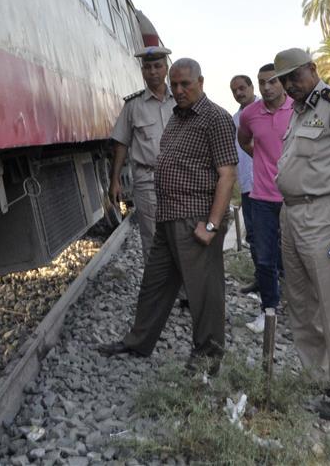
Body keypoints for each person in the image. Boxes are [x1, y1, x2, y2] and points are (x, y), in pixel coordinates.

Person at [99, 58, 238, 375]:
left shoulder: (215, 118)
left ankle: (208, 358)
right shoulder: (177, 117)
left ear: (200, 82)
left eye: (185, 84)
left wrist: (212, 225)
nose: (179, 90)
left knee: (203, 292)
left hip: (195, 217)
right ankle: (138, 341)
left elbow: (227, 175)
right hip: (168, 215)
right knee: (155, 283)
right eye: (174, 85)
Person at [272, 48, 330, 421]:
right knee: (300, 303)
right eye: (284, 80)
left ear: (313, 69)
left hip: (323, 214)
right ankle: (319, 378)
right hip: (292, 214)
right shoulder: (298, 111)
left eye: (295, 76)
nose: (289, 85)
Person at [237, 64, 294, 333]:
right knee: (264, 258)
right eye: (262, 82)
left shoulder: (297, 109)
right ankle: (268, 310)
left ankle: (301, 311)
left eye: (272, 81)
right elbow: (244, 140)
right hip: (261, 198)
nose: (267, 87)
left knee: (298, 257)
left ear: (282, 82)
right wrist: (260, 158)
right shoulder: (250, 114)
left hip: (293, 197)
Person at [108, 46, 176, 262]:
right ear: (142, 71)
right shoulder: (133, 106)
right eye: (147, 67)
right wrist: (115, 180)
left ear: (166, 69)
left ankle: (183, 284)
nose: (153, 71)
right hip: (148, 181)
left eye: (157, 66)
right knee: (153, 239)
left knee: (181, 237)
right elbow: (121, 143)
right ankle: (158, 284)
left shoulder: (181, 100)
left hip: (181, 179)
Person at [229, 75, 259, 293]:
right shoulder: (234, 120)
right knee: (254, 236)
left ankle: (283, 278)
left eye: (242, 88)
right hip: (248, 188)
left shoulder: (266, 109)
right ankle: (261, 279)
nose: (239, 93)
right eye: (234, 90)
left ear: (251, 87)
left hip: (272, 187)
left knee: (278, 235)